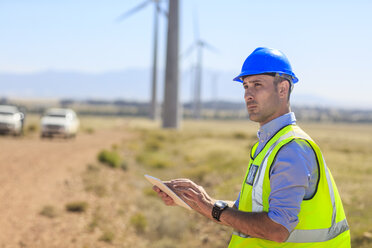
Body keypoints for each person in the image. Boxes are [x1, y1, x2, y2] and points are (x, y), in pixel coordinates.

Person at [153, 47, 351, 247]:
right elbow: (243, 213)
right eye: (246, 86)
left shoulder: (292, 148)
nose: (248, 94)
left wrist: (209, 206)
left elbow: (277, 229)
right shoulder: (268, 146)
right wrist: (197, 200)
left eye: (257, 85)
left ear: (283, 89)